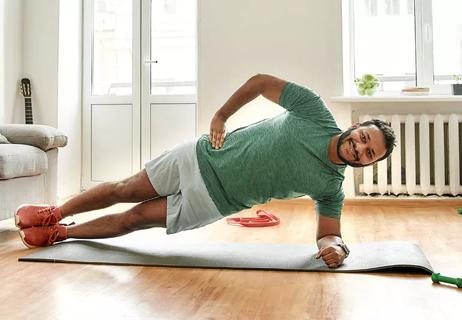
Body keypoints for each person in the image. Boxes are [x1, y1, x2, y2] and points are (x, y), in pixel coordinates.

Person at [15, 74, 396, 268]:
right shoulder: (314, 111)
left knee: (135, 218)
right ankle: (55, 211)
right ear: (356, 128)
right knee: (123, 187)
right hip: (199, 157)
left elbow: (329, 235)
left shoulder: (331, 187)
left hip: (213, 201)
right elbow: (261, 82)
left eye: (368, 153)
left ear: (369, 163)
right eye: (364, 138)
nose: (360, 148)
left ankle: (60, 234)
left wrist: (336, 249)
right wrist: (220, 115)